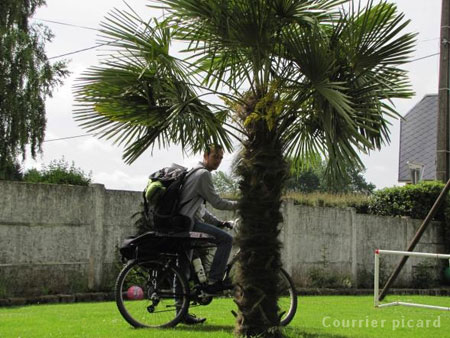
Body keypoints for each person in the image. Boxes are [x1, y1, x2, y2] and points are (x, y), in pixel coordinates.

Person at [177, 144, 238, 325]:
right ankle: (214, 281)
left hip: (181, 223)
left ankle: (181, 313)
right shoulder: (203, 174)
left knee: (181, 269)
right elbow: (217, 202)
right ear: (205, 155)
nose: (218, 161)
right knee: (226, 239)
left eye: (220, 157)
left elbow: (200, 210)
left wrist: (219, 223)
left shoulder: (193, 172)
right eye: (215, 157)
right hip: (189, 224)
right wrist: (240, 204)